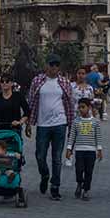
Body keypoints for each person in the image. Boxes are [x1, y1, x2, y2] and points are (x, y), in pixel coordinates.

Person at [26, 54, 75, 201]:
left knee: (56, 157)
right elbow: (31, 102)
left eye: (56, 65)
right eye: (51, 65)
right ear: (46, 65)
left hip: (60, 123)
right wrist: (29, 122)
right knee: (40, 155)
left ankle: (55, 186)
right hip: (43, 124)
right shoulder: (37, 81)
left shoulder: (64, 82)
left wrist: (71, 125)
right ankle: (45, 174)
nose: (54, 68)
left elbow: (70, 104)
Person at [65, 98, 103, 200]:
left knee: (89, 171)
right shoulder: (76, 122)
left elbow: (98, 136)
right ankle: (79, 183)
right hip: (79, 151)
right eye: (79, 107)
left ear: (89, 108)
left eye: (83, 107)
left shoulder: (95, 122)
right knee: (79, 169)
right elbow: (72, 136)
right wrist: (69, 149)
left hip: (91, 151)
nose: (81, 109)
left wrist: (99, 150)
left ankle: (86, 190)